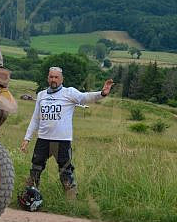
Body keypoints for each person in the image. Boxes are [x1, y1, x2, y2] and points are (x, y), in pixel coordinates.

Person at [20, 67, 114, 200]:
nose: (53, 79)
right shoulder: (41, 95)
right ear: (48, 78)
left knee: (65, 170)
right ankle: (29, 196)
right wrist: (27, 138)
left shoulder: (69, 92)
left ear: (61, 79)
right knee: (36, 168)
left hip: (62, 140)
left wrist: (102, 93)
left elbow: (85, 97)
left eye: (56, 77)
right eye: (51, 77)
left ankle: (71, 201)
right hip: (43, 139)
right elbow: (35, 118)